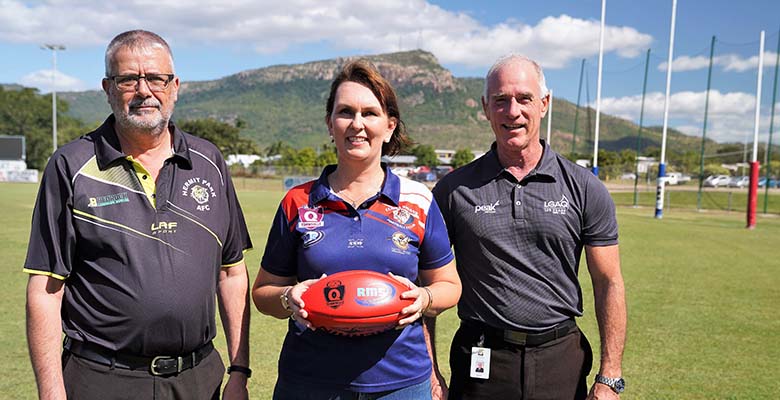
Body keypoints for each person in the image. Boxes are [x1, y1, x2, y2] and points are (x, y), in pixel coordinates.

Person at [24, 30, 252, 400]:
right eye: (128, 79)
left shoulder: (209, 161)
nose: (144, 90)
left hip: (200, 378)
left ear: (175, 86)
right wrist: (52, 395)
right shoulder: (71, 165)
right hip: (103, 379)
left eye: (157, 78)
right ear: (108, 87)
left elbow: (231, 272)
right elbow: (46, 291)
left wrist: (239, 371)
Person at [252, 60, 461, 400]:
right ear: (329, 124)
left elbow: (450, 285)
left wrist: (424, 298)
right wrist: (288, 298)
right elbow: (264, 292)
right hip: (309, 382)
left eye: (370, 113)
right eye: (346, 112)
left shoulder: (418, 199)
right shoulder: (298, 201)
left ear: (390, 126)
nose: (357, 124)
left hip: (401, 382)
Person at [430, 54, 627, 399]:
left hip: (560, 357)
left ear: (544, 104)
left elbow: (608, 281)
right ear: (485, 108)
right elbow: (426, 284)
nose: (513, 111)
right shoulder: (452, 190)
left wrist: (610, 375)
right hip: (481, 357)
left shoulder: (583, 187)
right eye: (500, 100)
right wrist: (430, 374)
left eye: (524, 98)